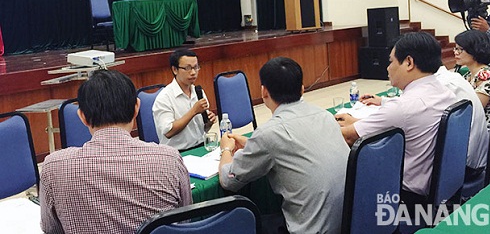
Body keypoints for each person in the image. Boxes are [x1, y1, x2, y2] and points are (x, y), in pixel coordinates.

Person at [40, 70, 192, 233]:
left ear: (82, 117)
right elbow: (185, 220)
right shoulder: (169, 159)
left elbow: (52, 230)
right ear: (136, 109)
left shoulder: (53, 167)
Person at [218, 57, 350, 234]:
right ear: (302, 89)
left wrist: (226, 149)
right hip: (349, 222)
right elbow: (298, 147)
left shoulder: (269, 133)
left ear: (264, 91)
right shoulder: (325, 116)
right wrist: (252, 144)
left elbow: (229, 180)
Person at [335, 32, 456, 214]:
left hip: (405, 197)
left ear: (409, 62)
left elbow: (348, 137)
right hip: (440, 190)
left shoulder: (403, 107)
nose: (388, 68)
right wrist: (358, 122)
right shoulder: (445, 93)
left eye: (391, 61)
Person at [153, 48, 216, 150]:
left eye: (196, 67)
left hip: (201, 146)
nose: (193, 72)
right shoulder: (164, 98)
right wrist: (193, 111)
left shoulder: (198, 92)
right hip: (178, 152)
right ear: (175, 70)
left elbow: (202, 129)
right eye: (187, 68)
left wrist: (208, 122)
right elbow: (168, 132)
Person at [434, 65, 489, 182]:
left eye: (460, 49)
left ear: (409, 63)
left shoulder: (441, 85)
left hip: (466, 166)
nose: (456, 52)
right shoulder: (456, 77)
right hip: (472, 160)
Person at [454, 29, 490, 131]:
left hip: (484, 131)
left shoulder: (487, 76)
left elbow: (474, 109)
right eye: (455, 48)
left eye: (460, 49)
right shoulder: (468, 74)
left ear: (474, 50)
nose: (456, 53)